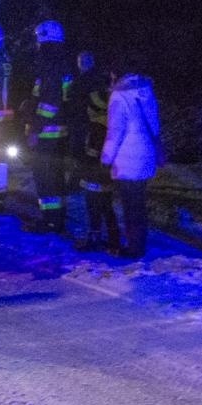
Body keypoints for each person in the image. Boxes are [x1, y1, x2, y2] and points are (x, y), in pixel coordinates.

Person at [101, 60, 162, 260]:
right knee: (140, 202)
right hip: (145, 154)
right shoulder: (146, 91)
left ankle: (134, 248)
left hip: (127, 157)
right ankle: (140, 243)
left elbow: (115, 132)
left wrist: (106, 158)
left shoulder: (119, 96)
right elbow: (154, 125)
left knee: (130, 205)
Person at [27, 20, 74, 234]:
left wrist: (36, 128)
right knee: (55, 176)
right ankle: (58, 219)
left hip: (47, 131)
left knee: (43, 176)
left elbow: (49, 102)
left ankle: (49, 220)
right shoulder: (64, 62)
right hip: (61, 130)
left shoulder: (48, 64)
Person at [72, 52, 119, 252]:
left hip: (94, 142)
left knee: (93, 192)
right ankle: (112, 236)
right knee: (103, 194)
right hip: (102, 143)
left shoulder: (86, 85)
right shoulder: (106, 87)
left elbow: (85, 112)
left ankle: (97, 236)